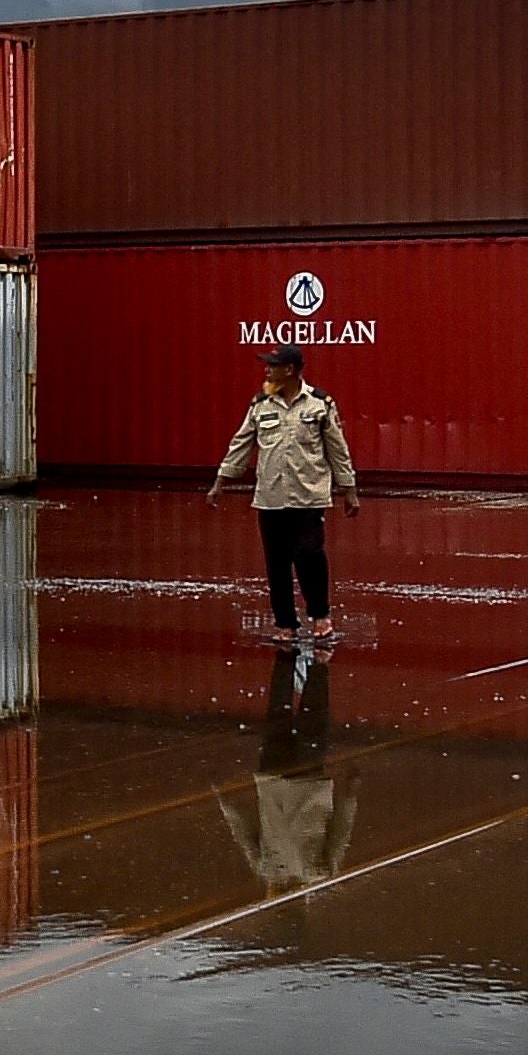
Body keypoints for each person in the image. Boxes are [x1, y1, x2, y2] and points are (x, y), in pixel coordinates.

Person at [207, 343, 359, 639]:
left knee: (309, 554)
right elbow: (241, 445)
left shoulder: (319, 404)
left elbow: (337, 450)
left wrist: (349, 490)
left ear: (289, 370)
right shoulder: (261, 404)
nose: (267, 370)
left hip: (309, 496)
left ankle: (320, 616)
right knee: (277, 563)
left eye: (272, 365)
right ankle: (286, 624)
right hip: (271, 497)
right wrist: (220, 483)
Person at [217, 640, 360, 895]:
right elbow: (242, 831)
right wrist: (223, 798)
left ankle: (318, 663)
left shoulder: (319, 873)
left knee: (312, 720)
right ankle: (288, 658)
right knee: (280, 716)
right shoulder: (268, 869)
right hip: (274, 779)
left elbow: (340, 831)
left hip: (307, 781)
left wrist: (350, 793)